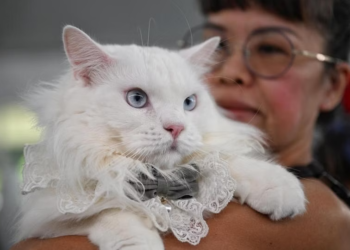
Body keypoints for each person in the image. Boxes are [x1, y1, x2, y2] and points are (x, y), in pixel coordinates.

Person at [11, 0, 350, 249]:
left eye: (272, 49)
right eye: (223, 47)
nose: (229, 71)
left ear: (334, 85)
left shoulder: (327, 214)